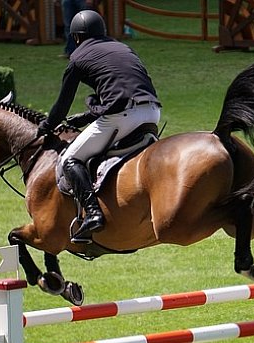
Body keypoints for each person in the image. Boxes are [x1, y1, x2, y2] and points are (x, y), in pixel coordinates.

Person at [37, 10, 161, 244]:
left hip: (123, 116)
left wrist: (46, 125)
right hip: (152, 111)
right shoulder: (122, 47)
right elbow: (122, 88)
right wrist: (85, 118)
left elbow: (62, 105)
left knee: (70, 160)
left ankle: (93, 214)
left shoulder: (78, 56)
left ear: (75, 37)